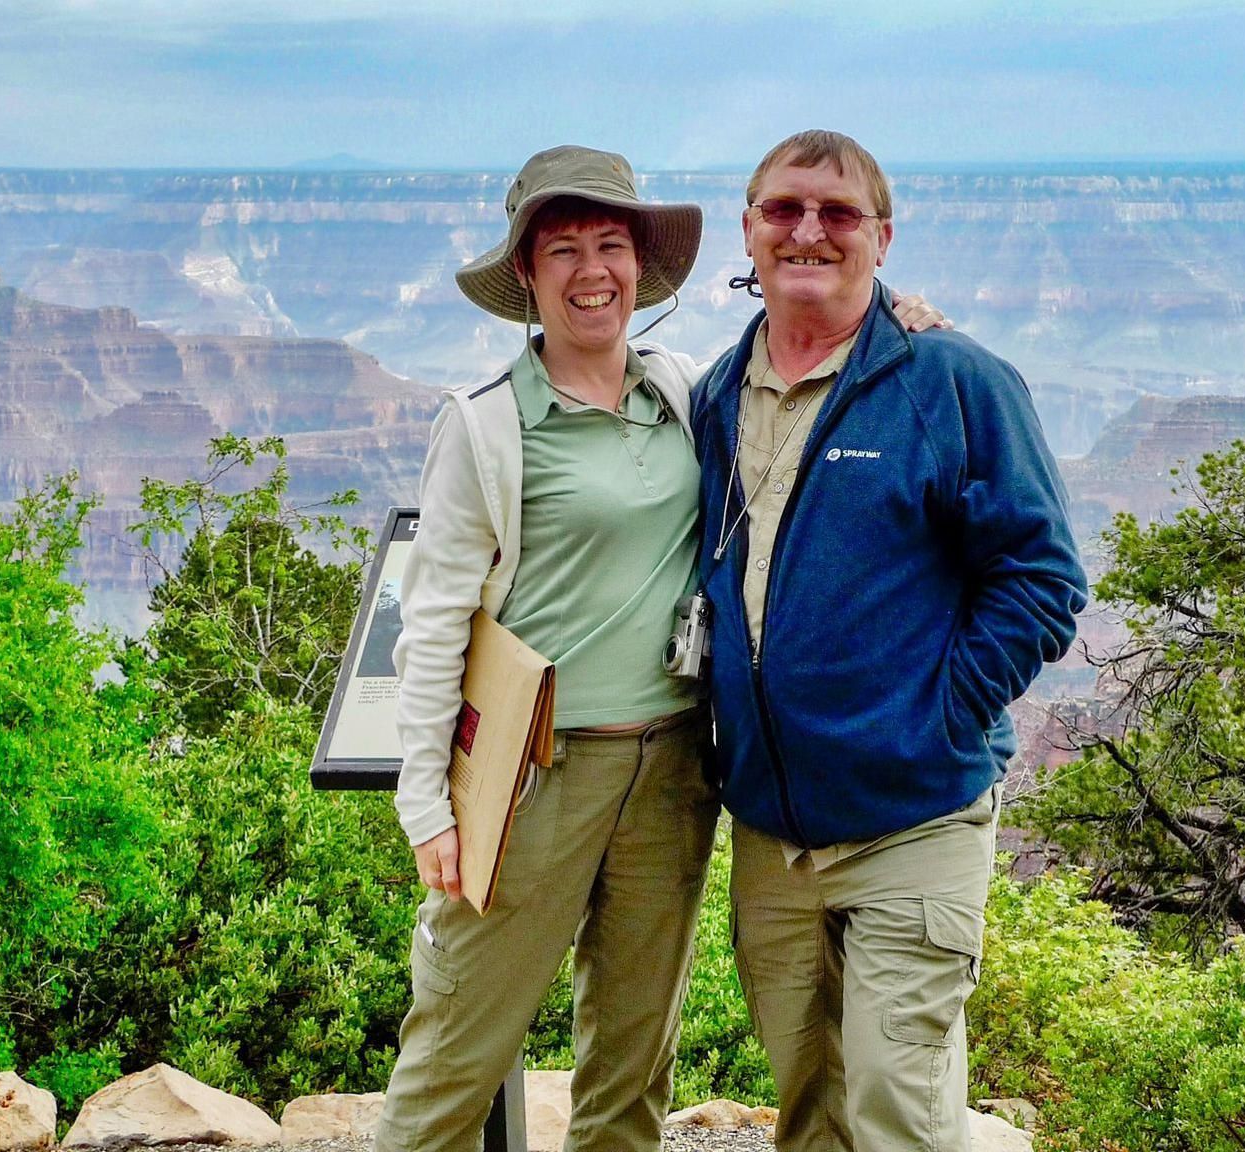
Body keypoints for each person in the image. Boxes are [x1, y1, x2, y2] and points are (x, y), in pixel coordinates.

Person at [378, 144, 943, 1152]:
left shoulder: (688, 391)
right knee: (457, 1044)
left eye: (609, 244)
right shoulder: (486, 427)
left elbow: (806, 357)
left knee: (631, 1057)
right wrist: (426, 801)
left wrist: (899, 322)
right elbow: (431, 626)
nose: (590, 269)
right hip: (531, 776)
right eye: (562, 250)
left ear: (639, 266)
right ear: (527, 275)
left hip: (672, 766)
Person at [691, 130, 1087, 1152]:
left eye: (836, 214)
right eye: (783, 210)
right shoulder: (712, 397)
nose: (807, 231)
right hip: (772, 841)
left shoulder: (951, 382)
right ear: (747, 228)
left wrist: (934, 716)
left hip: (913, 824)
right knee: (812, 1113)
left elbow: (1041, 580)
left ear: (881, 237)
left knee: (895, 1113)